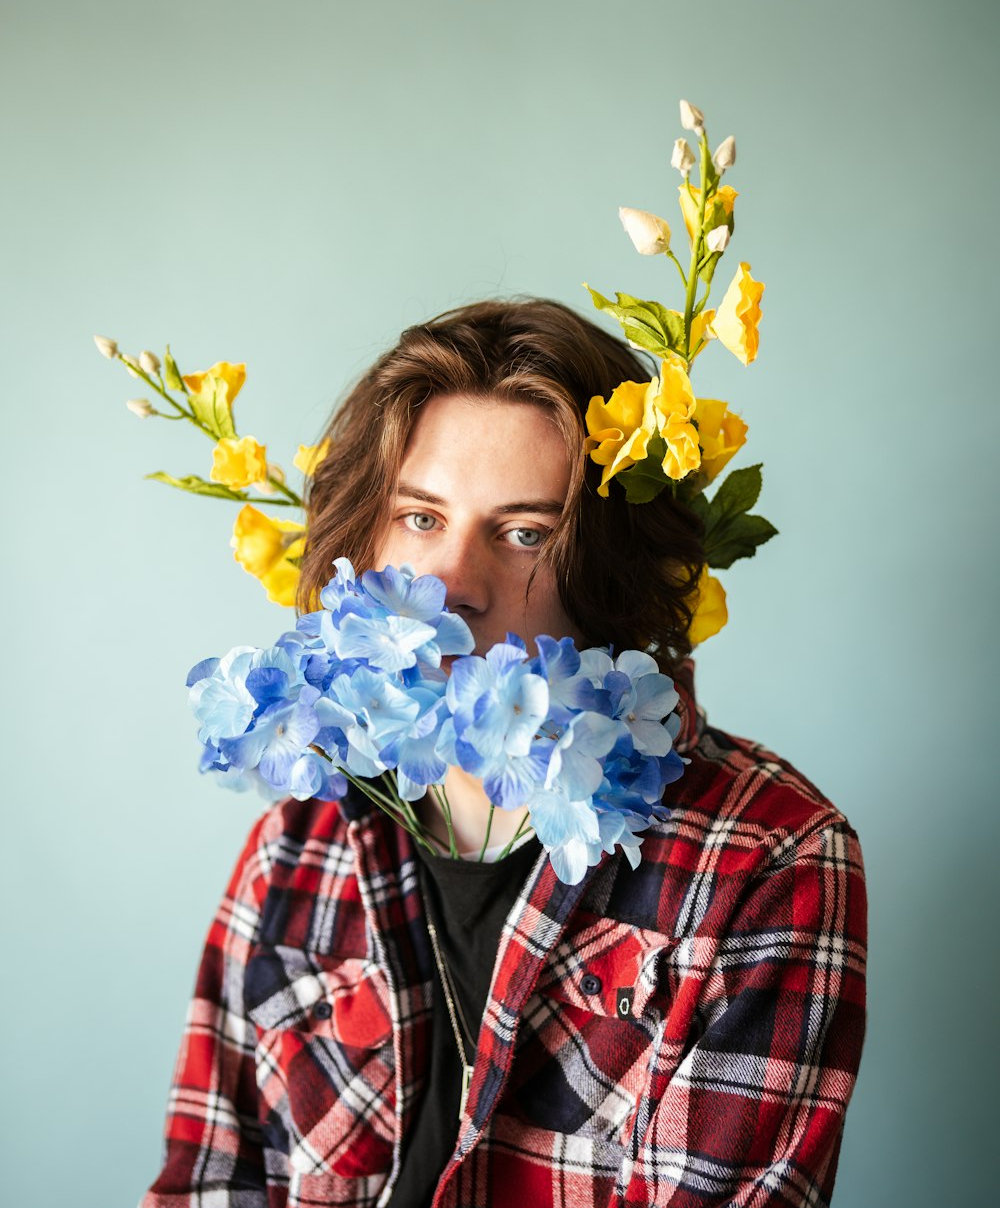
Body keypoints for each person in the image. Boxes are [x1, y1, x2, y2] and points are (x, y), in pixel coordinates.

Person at [142, 298, 867, 1207]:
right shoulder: (297, 851)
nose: (452, 588)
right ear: (364, 538)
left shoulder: (769, 860)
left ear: (611, 566)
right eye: (419, 518)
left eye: (526, 532)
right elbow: (209, 1178)